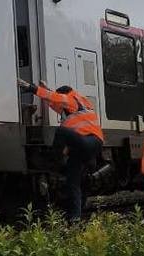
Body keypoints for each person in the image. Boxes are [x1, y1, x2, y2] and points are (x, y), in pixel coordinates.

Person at [19, 78, 104, 222]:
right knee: (74, 182)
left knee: (61, 132)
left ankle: (53, 163)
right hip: (84, 147)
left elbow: (55, 98)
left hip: (89, 141)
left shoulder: (70, 97)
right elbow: (55, 102)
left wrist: (30, 87)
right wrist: (48, 90)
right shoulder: (79, 103)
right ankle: (75, 218)